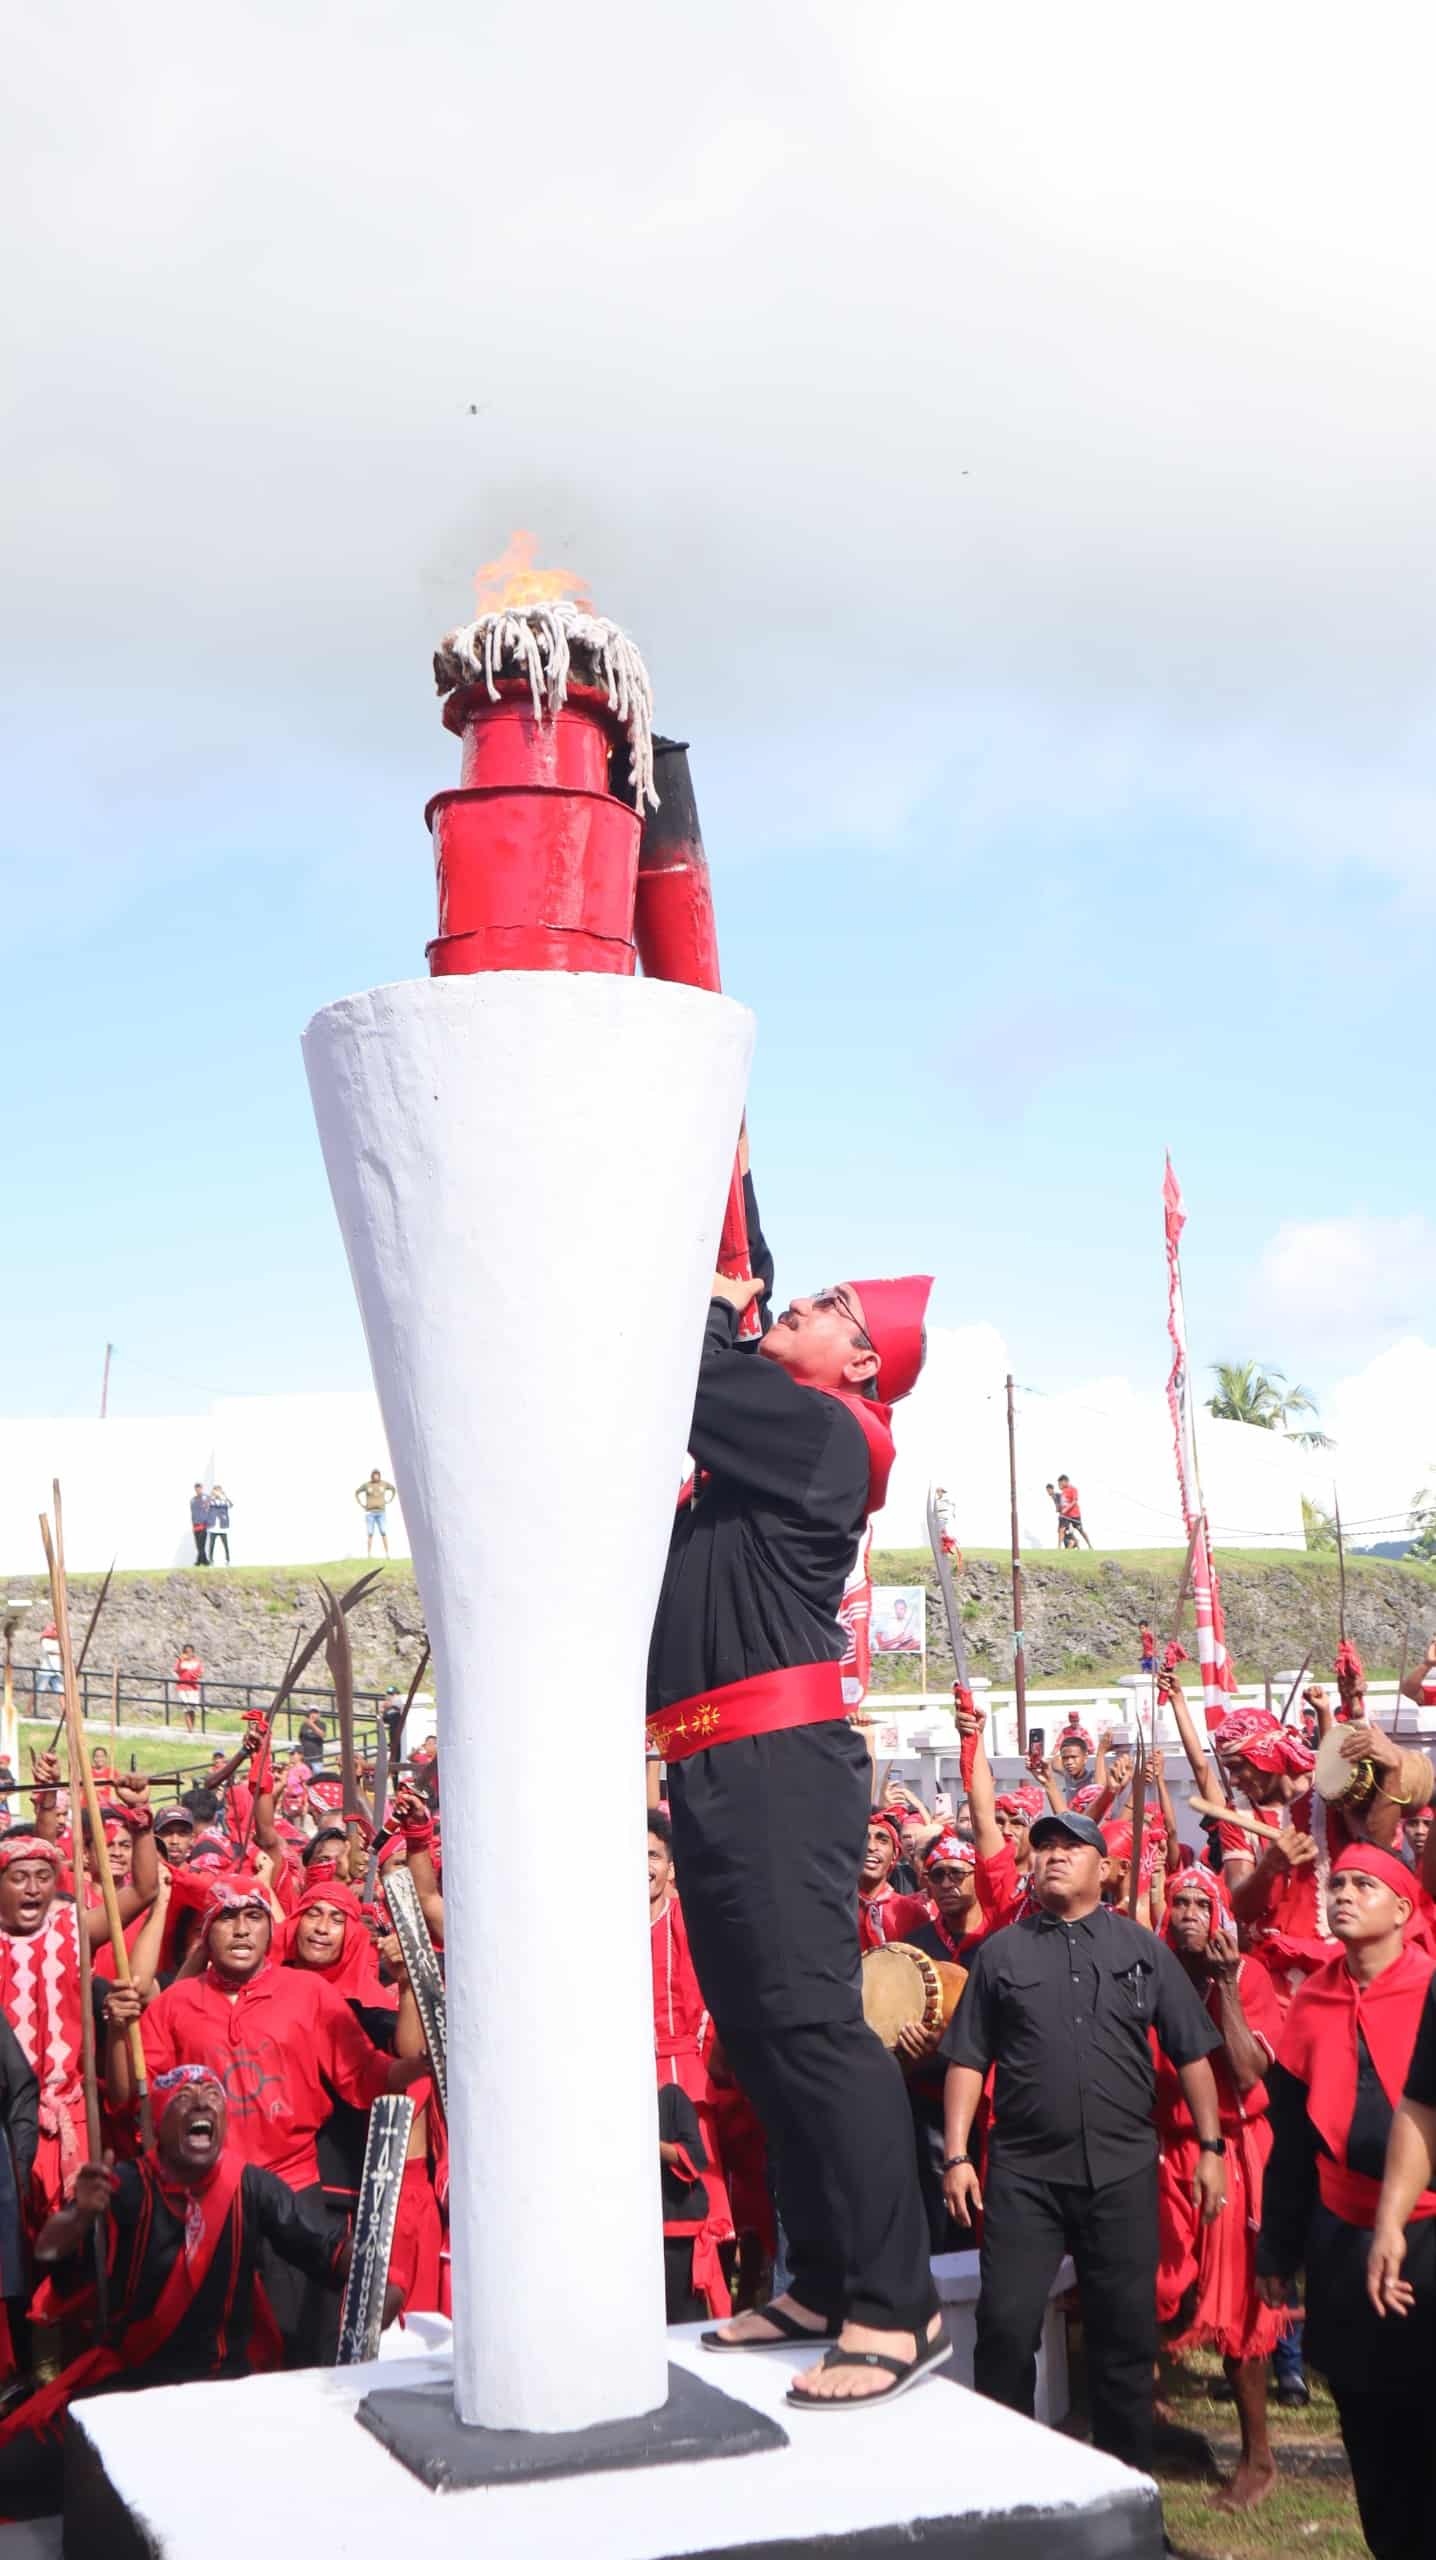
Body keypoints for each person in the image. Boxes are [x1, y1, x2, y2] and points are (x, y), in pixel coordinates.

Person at [649, 1159, 946, 2407]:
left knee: (816, 2031)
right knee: (766, 2039)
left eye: (823, 1305)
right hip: (719, 1764)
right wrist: (728, 1167)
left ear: (859, 1361)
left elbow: (687, 1367)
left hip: (774, 1767)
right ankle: (822, 2274)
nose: (794, 1306)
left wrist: (718, 1310)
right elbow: (739, 1278)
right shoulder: (777, 1437)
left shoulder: (824, 1433)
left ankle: (898, 2303)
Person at [940, 1807, 1226, 2475]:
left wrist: (1211, 2149)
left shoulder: (1142, 1949)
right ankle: (1008, 2489)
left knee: (1124, 2343)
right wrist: (956, 2156)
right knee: (1006, 2331)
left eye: (1072, 1846)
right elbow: (968, 2060)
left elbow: (1191, 2055)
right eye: (1043, 1848)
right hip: (1024, 2177)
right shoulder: (1001, 1953)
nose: (1054, 1856)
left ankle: (1125, 2493)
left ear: (1107, 1868)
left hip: (1123, 2174)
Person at [0, 2066, 398, 2511]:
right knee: (13, 2473)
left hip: (222, 2386)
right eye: (186, 2096)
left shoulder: (252, 2184)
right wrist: (80, 2216)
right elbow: (50, 2254)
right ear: (160, 2126)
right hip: (134, 2385)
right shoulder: (126, 2183)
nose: (202, 2101)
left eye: (212, 2094)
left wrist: (377, 2274)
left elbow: (321, 2245)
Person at [1259, 1846, 1436, 2559]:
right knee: (1364, 2417)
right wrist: (1277, 2245)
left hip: (1428, 2233)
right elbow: (1292, 2141)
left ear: (1404, 1909)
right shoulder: (1313, 1998)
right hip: (1340, 2236)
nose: (1343, 1895)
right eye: (1337, 1884)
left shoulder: (1430, 1988)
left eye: (1366, 1885)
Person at [1156, 1868, 1286, 2512]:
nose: (1186, 1913)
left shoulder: (1249, 1974)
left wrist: (1228, 1985)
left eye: (1199, 1904)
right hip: (1161, 2150)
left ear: (1220, 1915)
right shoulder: (1148, 1969)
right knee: (1151, 2291)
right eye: (1177, 1901)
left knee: (1238, 2318)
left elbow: (1246, 2068)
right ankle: (1149, 2427)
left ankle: (1257, 2457)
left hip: (1232, 2152)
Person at [356, 1469, 396, 1555]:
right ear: (372, 1476)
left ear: (379, 1475)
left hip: (381, 1512)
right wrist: (361, 1504)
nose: (376, 1476)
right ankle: (369, 1554)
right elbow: (357, 1492)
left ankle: (387, 1553)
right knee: (370, 1533)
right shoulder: (367, 1485)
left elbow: (393, 1489)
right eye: (374, 1475)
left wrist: (390, 1500)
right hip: (370, 1513)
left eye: (377, 1475)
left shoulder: (384, 1484)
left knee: (383, 1531)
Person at [1055, 1474, 1092, 1550]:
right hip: (1066, 1516)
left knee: (1080, 1530)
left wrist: (1066, 1509)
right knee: (1062, 1529)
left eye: (1060, 1483)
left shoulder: (1073, 1489)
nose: (1059, 1485)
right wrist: (1059, 1508)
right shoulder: (1063, 1492)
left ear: (1065, 1481)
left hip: (1075, 1514)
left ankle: (1089, 1545)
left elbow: (1074, 1501)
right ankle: (1058, 1547)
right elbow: (1063, 1503)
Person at [173, 1643, 203, 1733]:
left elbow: (200, 1673)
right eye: (186, 1652)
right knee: (186, 1708)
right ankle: (189, 1729)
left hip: (193, 1687)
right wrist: (180, 1661)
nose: (188, 1654)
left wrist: (195, 1675)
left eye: (190, 1652)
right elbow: (177, 1671)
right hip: (183, 1687)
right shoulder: (180, 1661)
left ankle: (192, 1728)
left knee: (192, 1709)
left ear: (193, 1653)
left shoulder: (197, 1661)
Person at [207, 1485, 233, 1564]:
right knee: (212, 1544)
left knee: (225, 1544)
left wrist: (225, 1496)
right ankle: (211, 1559)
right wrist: (211, 1495)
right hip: (213, 1527)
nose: (217, 1493)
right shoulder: (211, 1501)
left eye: (219, 1491)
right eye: (216, 1491)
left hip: (222, 1527)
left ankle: (227, 1559)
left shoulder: (224, 1501)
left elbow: (231, 1505)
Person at [34, 1627, 61, 1700]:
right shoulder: (45, 1640)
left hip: (56, 1670)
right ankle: (28, 1709)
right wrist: (60, 1651)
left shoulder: (58, 1641)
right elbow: (48, 1650)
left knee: (61, 1692)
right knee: (38, 1690)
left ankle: (65, 1710)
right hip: (46, 1670)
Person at [189, 1483, 211, 1566]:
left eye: (199, 1489)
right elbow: (193, 1512)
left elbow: (208, 1504)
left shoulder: (205, 1498)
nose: (198, 1491)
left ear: (202, 1489)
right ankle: (204, 1561)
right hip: (195, 1524)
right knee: (198, 1544)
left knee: (202, 1544)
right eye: (196, 1489)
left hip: (202, 1524)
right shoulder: (193, 1500)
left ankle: (199, 1562)